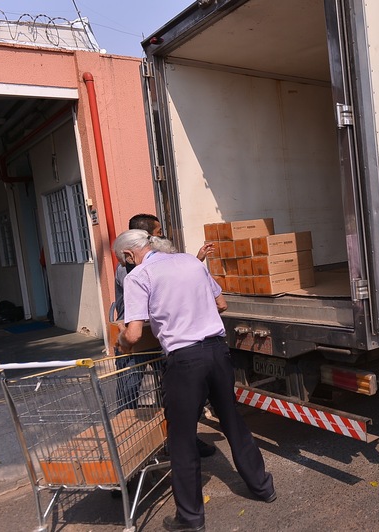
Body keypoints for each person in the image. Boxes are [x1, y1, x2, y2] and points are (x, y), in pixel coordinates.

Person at [114, 229, 275, 532]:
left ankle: (190, 518)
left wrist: (122, 341)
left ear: (128, 255)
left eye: (123, 262)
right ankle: (263, 487)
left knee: (182, 438)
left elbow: (133, 335)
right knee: (232, 420)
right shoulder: (190, 261)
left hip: (185, 361)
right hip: (217, 351)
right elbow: (221, 304)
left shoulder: (138, 277)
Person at [114, 213, 216, 458]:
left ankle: (182, 440)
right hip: (136, 339)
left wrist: (195, 261)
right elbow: (157, 286)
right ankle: (127, 452)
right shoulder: (129, 269)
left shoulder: (155, 263)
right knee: (129, 394)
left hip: (161, 335)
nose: (161, 237)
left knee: (173, 395)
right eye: (158, 233)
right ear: (146, 237)